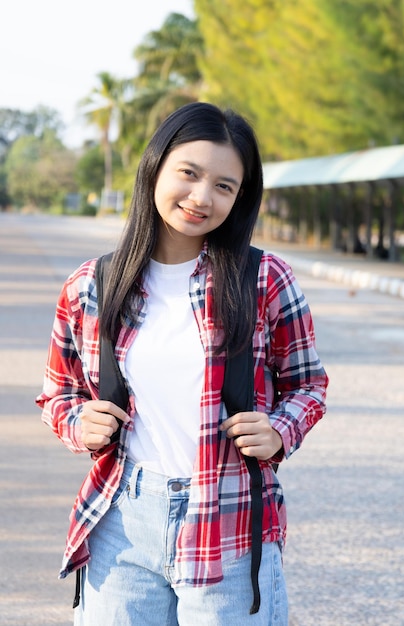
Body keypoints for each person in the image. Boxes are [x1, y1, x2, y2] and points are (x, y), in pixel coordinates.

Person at [36, 101, 328, 626]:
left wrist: (281, 429)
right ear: (156, 168)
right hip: (121, 520)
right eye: (188, 174)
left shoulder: (265, 280)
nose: (201, 197)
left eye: (224, 186)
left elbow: (308, 385)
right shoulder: (90, 286)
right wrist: (81, 423)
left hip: (230, 518)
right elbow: (59, 394)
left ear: (240, 198)